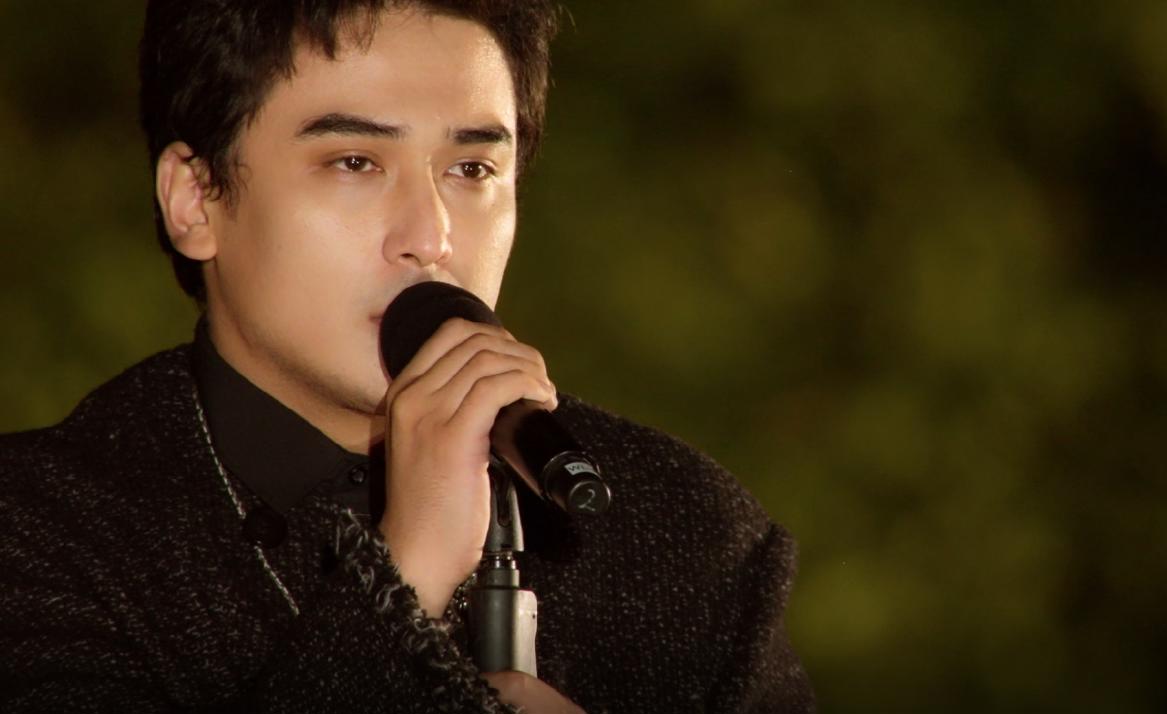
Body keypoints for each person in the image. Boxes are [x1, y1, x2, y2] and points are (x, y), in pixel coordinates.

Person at [0, 1, 814, 711]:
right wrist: (408, 570)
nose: (431, 237)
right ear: (195, 199)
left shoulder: (685, 531)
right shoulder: (44, 529)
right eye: (355, 163)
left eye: (472, 168)